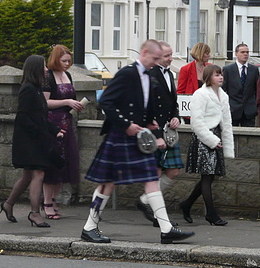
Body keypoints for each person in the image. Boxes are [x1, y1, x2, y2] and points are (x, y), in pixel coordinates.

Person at [80, 39, 194, 244]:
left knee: (151, 179)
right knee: (108, 183)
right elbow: (106, 101)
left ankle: (166, 229)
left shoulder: (149, 76)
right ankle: (89, 227)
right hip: (120, 134)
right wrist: (126, 125)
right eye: (155, 58)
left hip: (139, 135)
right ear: (144, 53)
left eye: (160, 59)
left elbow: (149, 110)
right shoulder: (127, 73)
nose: (157, 62)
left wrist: (157, 133)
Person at [1, 55, 63, 227]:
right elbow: (23, 117)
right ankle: (35, 213)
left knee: (28, 176)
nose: (46, 69)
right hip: (29, 141)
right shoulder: (28, 89)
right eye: (43, 66)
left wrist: (54, 129)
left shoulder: (35, 88)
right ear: (35, 68)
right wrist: (42, 132)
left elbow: (40, 116)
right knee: (38, 174)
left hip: (34, 139)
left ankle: (8, 204)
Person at [179, 65, 234, 226]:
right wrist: (211, 140)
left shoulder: (224, 96)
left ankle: (187, 204)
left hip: (216, 136)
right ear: (209, 77)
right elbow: (196, 122)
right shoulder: (200, 94)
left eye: (221, 74)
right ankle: (211, 214)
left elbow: (227, 122)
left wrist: (226, 144)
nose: (221, 77)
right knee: (207, 175)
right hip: (204, 138)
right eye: (217, 75)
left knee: (210, 176)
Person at [137, 41, 183, 226]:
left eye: (171, 55)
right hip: (154, 130)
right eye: (166, 56)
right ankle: (159, 216)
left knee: (173, 171)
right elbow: (146, 105)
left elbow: (173, 103)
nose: (170, 59)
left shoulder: (169, 74)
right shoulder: (149, 74)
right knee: (155, 174)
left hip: (168, 130)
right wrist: (154, 132)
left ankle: (145, 201)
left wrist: (176, 117)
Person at [41, 45, 83, 220]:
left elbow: (69, 100)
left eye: (69, 61)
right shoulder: (47, 76)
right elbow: (45, 102)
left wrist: (75, 105)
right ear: (55, 59)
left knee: (64, 165)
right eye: (64, 60)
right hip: (53, 124)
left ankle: (53, 199)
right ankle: (46, 202)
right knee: (53, 165)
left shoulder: (69, 75)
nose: (67, 64)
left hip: (67, 122)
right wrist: (67, 101)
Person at [222, 43, 260, 127]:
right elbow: (223, 90)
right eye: (242, 52)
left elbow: (257, 89)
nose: (245, 54)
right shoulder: (228, 70)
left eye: (247, 52)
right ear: (236, 54)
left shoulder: (254, 70)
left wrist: (256, 107)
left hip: (249, 112)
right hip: (233, 110)